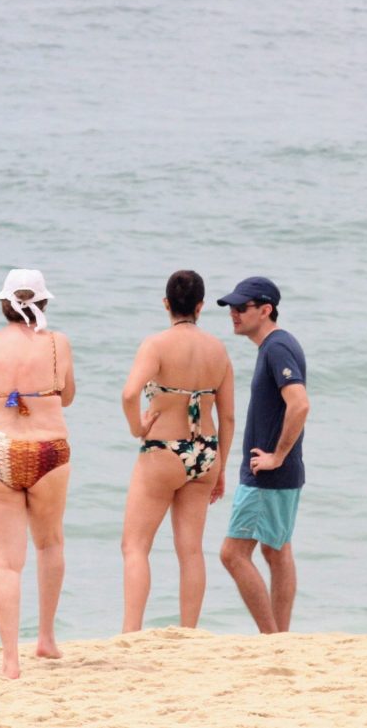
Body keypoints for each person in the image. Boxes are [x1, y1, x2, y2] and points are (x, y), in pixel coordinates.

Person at [0, 268, 76, 679]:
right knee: (49, 544)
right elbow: (69, 395)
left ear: (4, 304)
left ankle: (11, 660)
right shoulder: (56, 344)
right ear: (42, 303)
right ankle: (45, 639)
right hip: (48, 449)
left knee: (6, 563)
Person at [120, 270, 235, 632]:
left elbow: (128, 394)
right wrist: (222, 467)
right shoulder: (218, 349)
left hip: (163, 450)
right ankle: (189, 632)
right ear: (201, 306)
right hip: (206, 453)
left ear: (166, 303)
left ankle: (131, 632)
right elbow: (228, 416)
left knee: (135, 545)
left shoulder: (155, 345)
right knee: (191, 550)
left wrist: (138, 427)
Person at [216, 277, 309, 633]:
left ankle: (270, 636)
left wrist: (276, 456)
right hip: (280, 473)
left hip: (267, 474)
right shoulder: (276, 346)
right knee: (276, 549)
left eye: (242, 308)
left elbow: (299, 405)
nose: (234, 315)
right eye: (231, 309)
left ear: (265, 310)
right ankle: (280, 637)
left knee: (233, 554)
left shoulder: (277, 347)